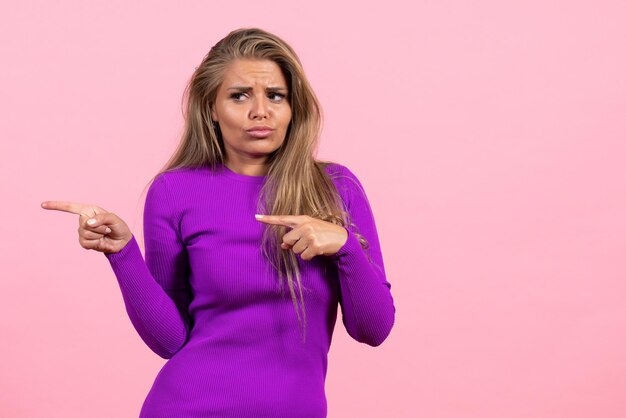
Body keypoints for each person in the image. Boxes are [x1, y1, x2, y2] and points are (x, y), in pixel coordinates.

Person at [41, 27, 395, 418]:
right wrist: (123, 254)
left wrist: (345, 246)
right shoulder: (174, 191)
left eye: (275, 95)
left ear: (294, 108)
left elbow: (373, 329)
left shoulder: (336, 188)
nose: (260, 110)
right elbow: (170, 341)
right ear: (211, 107)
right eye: (239, 95)